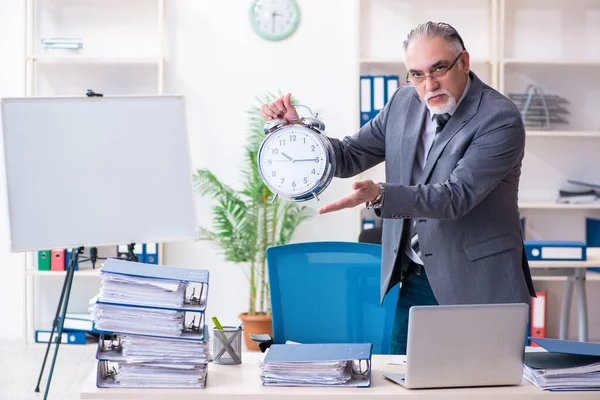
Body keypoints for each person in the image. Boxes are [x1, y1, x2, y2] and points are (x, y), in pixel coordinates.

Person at [260, 21, 536, 354]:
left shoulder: (499, 117)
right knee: (404, 385)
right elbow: (349, 154)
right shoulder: (403, 103)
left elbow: (456, 197)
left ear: (463, 61)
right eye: (417, 74)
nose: (429, 84)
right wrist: (300, 134)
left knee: (480, 388)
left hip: (481, 286)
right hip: (416, 280)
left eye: (439, 69)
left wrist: (381, 194)